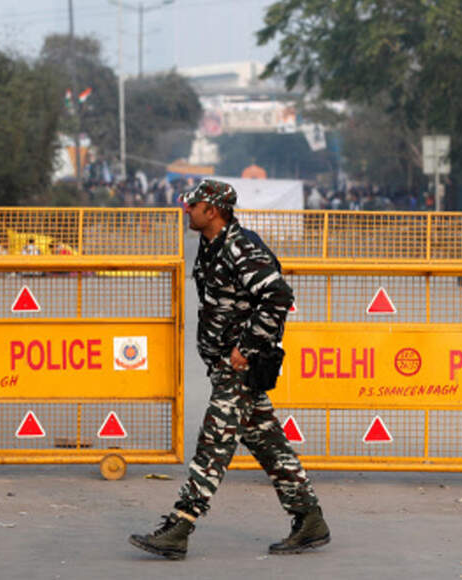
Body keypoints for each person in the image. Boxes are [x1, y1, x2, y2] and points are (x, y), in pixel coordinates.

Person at [129, 179, 330, 560]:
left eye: (194, 205)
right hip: (223, 365)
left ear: (214, 210)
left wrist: (247, 347)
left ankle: (180, 525)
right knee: (269, 445)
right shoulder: (211, 245)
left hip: (240, 366)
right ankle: (309, 519)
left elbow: (278, 296)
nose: (187, 210)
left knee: (213, 444)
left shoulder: (242, 246)